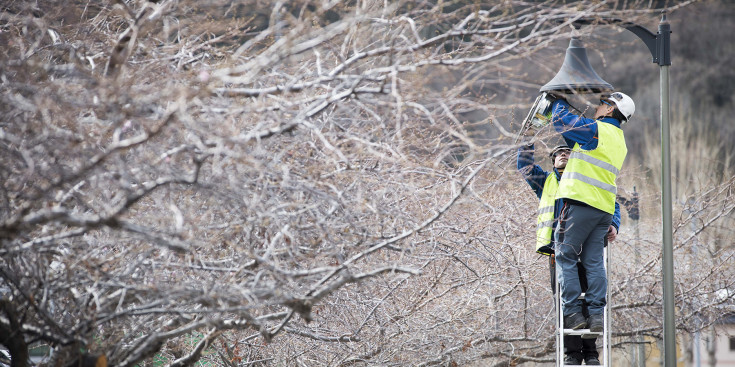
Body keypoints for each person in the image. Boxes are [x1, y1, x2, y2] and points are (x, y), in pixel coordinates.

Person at [518, 143, 621, 365]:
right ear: (552, 161)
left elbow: (612, 202)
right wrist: (528, 140)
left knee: (587, 299)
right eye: (558, 154)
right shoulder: (546, 182)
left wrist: (614, 223)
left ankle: (591, 353)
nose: (563, 154)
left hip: (586, 249)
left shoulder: (588, 179)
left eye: (568, 152)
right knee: (566, 301)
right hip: (560, 250)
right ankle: (573, 354)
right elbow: (524, 166)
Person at [549, 92, 634, 340]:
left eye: (602, 104)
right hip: (603, 210)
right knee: (594, 262)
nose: (598, 107)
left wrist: (558, 101)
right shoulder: (618, 139)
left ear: (610, 110)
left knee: (564, 255)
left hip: (580, 202)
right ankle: (596, 315)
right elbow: (575, 136)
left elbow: (562, 121)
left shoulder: (599, 130)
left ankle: (573, 313)